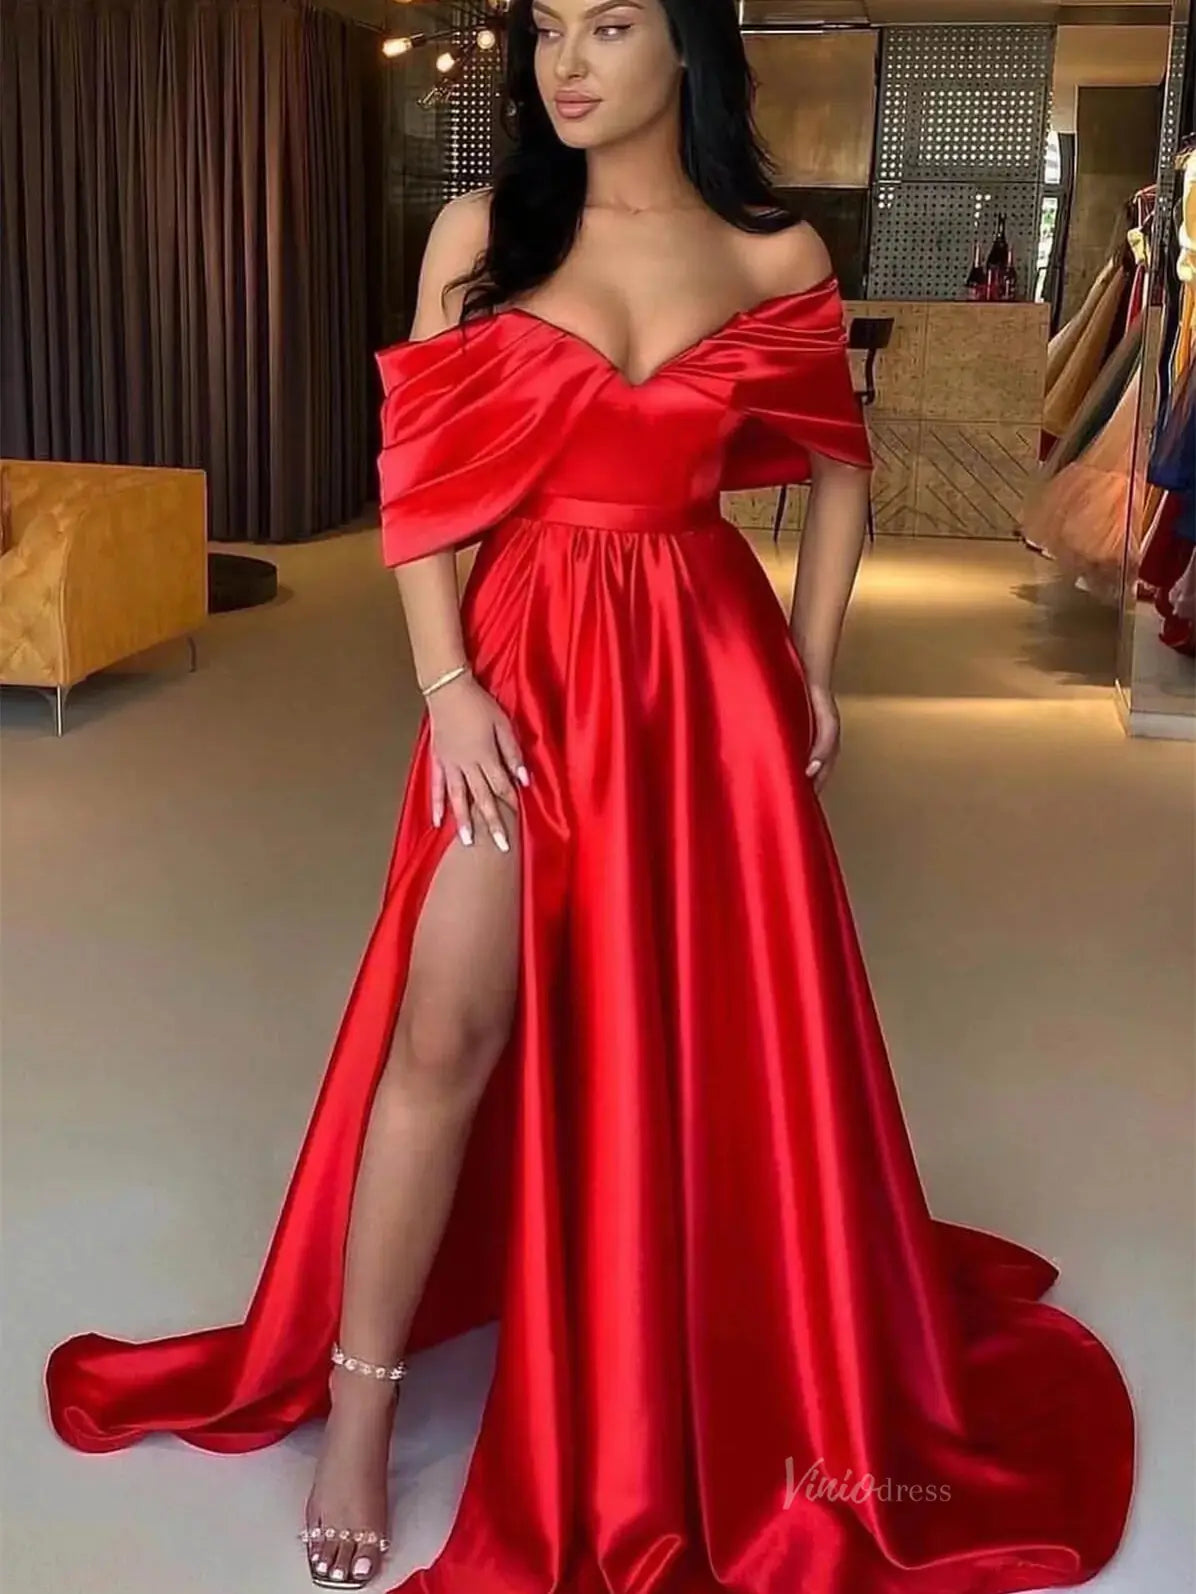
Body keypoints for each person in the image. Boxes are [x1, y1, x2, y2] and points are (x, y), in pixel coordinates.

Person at [45, 1, 1135, 1591]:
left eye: (610, 24)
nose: (567, 62)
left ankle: (659, 1362)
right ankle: (360, 1410)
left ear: (684, 44)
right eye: (548, 27)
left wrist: (814, 666)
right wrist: (447, 687)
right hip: (523, 664)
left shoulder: (771, 254)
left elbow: (841, 466)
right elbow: (419, 487)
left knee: (693, 1025)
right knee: (445, 1027)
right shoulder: (484, 235)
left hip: (702, 672)